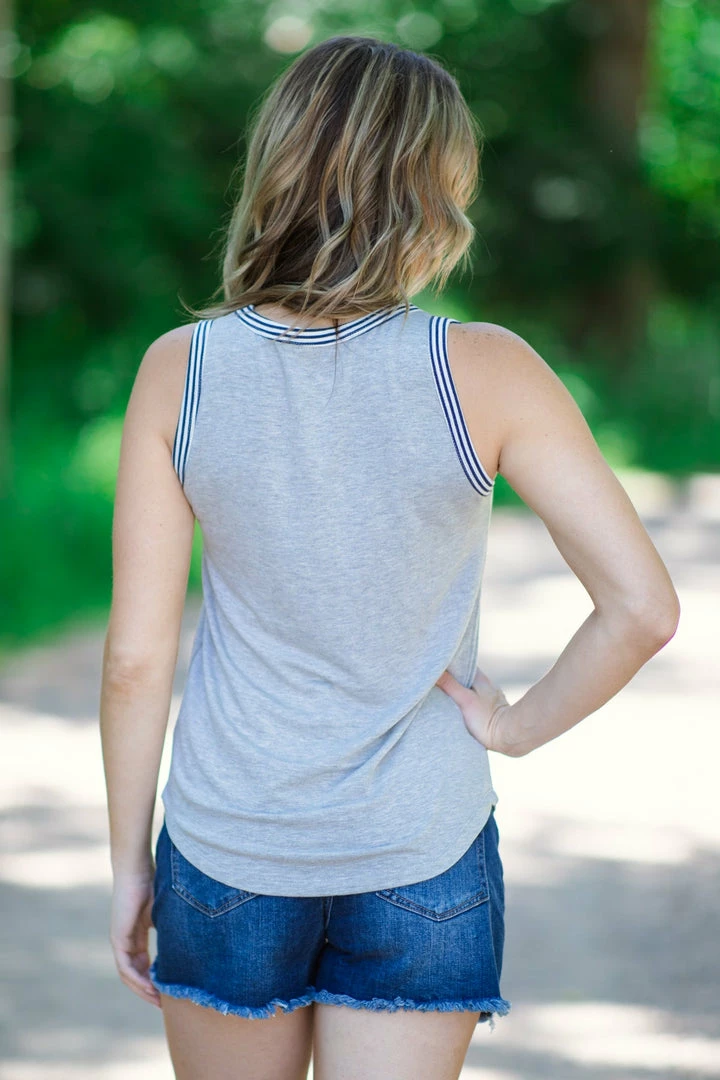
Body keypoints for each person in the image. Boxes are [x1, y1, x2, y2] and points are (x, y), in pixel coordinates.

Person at [99, 34, 680, 1080]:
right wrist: (513, 725)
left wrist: (127, 866)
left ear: (276, 168)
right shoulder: (489, 371)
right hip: (425, 853)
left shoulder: (177, 373)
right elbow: (641, 607)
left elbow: (135, 660)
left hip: (230, 853)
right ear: (436, 189)